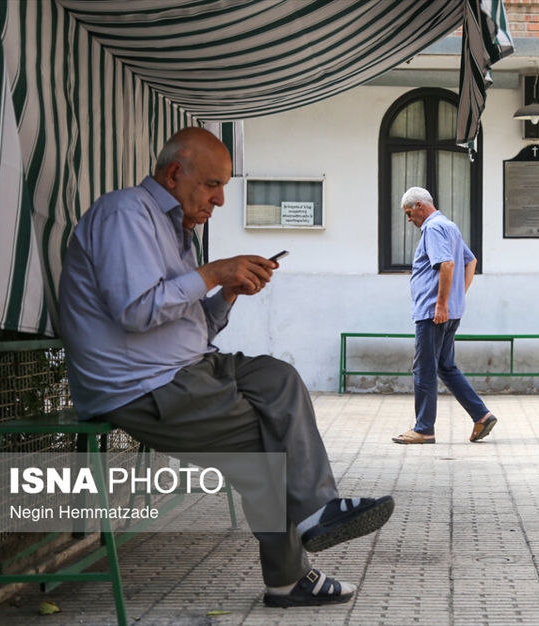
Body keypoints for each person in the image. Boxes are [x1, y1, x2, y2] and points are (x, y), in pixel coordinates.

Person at [57, 127, 393, 608]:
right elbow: (135, 311)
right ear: (175, 173)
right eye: (212, 185)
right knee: (269, 446)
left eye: (224, 188)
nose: (218, 199)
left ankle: (314, 515)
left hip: (191, 366)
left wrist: (229, 290)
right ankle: (295, 561)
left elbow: (193, 328)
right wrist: (213, 271)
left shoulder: (177, 230)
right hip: (143, 388)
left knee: (279, 379)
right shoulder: (125, 214)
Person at [392, 187, 498, 445]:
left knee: (424, 368)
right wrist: (455, 297)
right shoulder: (450, 226)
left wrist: (441, 304)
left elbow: (448, 264)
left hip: (433, 313)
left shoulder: (432, 228)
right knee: (445, 366)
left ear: (419, 205)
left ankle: (424, 429)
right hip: (448, 311)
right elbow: (470, 261)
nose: (409, 220)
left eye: (409, 213)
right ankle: (481, 415)